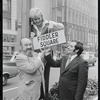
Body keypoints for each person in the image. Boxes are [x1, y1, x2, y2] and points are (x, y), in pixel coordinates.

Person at [29, 7, 64, 99]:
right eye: (34, 19)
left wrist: (54, 24)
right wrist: (31, 39)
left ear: (42, 17)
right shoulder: (31, 26)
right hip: (36, 55)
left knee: (45, 76)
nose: (37, 21)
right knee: (35, 77)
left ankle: (44, 96)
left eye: (38, 18)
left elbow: (61, 27)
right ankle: (37, 96)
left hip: (46, 54)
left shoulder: (48, 24)